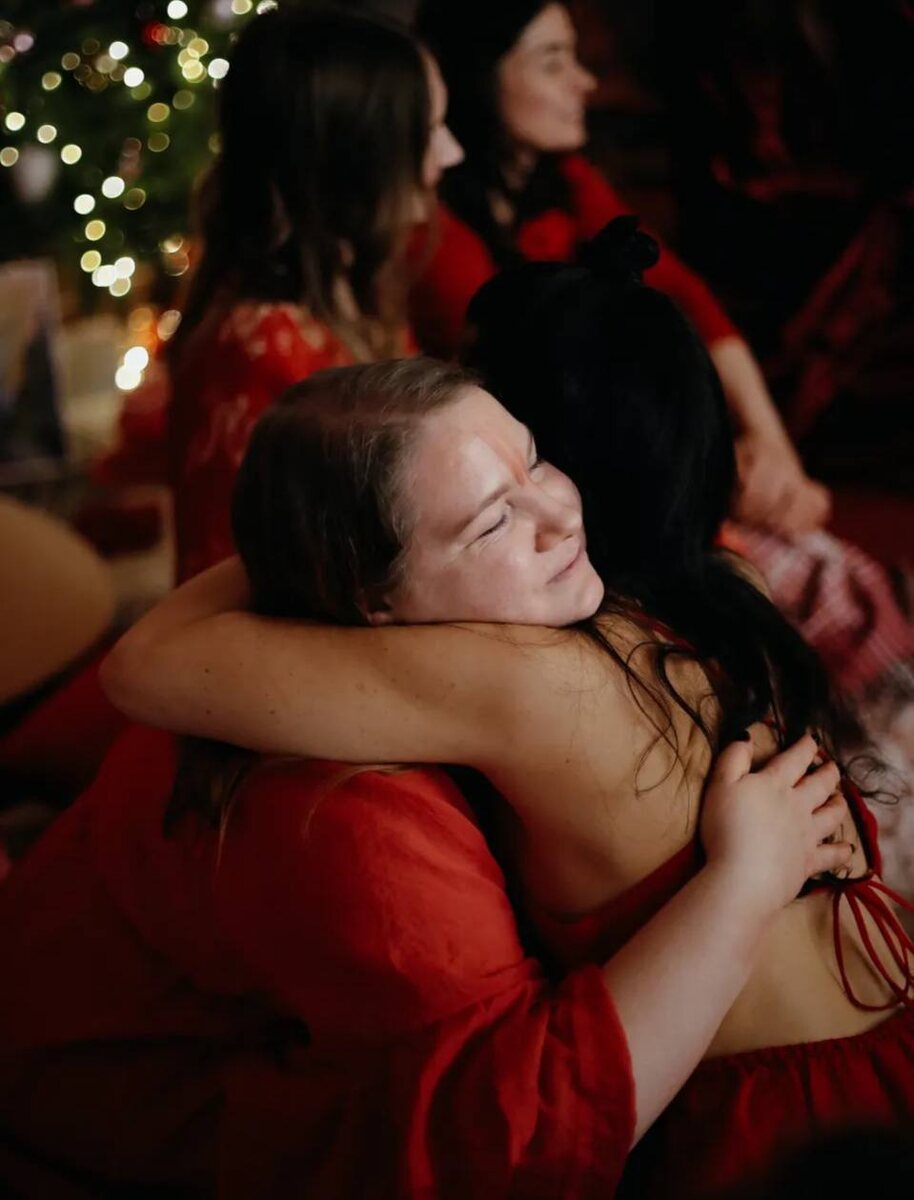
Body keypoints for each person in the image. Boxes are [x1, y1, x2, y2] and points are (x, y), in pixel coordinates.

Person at [105, 232, 914, 1195]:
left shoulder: (525, 676)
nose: (555, 513)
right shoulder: (727, 588)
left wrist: (347, 512)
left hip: (788, 1126)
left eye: (534, 460)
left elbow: (146, 663)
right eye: (491, 511)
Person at [410, 0, 829, 537]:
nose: (584, 81)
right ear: (477, 78)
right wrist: (712, 478)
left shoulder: (564, 179)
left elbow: (683, 294)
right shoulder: (438, 231)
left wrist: (771, 445)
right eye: (553, 62)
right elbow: (534, 393)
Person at [167, 1, 461, 581]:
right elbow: (241, 585)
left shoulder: (353, 292)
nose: (452, 153)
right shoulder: (262, 348)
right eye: (429, 131)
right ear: (355, 153)